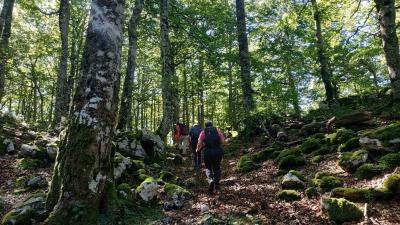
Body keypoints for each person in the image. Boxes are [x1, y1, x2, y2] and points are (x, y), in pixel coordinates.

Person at [196, 121, 225, 194]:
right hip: (218, 151)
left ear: (205, 126)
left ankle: (210, 180)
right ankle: (217, 183)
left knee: (208, 167)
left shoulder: (203, 132)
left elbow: (199, 143)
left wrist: (198, 149)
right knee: (217, 166)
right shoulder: (217, 130)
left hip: (207, 152)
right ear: (212, 125)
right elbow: (223, 140)